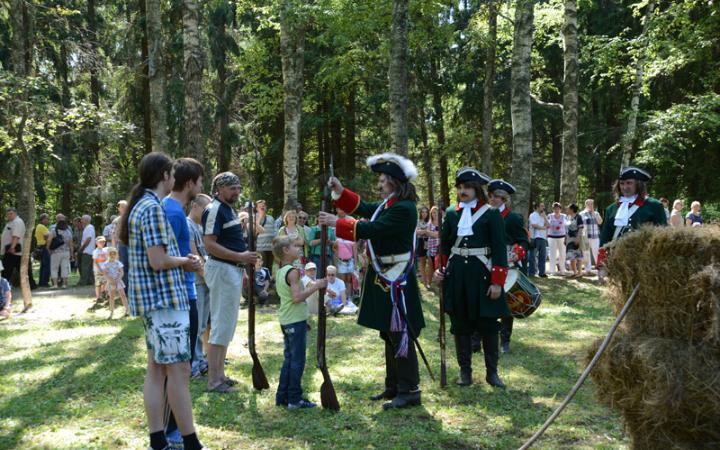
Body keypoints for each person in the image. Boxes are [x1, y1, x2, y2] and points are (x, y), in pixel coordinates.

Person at [319, 152, 425, 410]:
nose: (378, 184)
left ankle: (409, 389)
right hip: (384, 275)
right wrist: (341, 191)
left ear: (394, 182)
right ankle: (394, 385)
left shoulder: (404, 208)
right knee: (389, 332)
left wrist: (338, 222)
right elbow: (365, 209)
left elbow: (374, 229)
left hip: (397, 276)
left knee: (400, 333)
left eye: (382, 179)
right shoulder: (389, 204)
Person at [117, 152, 205, 450]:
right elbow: (158, 260)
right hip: (165, 300)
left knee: (157, 369)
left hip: (154, 302)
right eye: (171, 174)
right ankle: (190, 442)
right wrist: (187, 261)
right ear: (165, 176)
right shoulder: (152, 209)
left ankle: (158, 440)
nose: (173, 179)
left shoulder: (141, 206)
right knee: (178, 372)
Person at [432, 168, 509, 389]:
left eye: (467, 187)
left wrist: (497, 282)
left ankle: (492, 373)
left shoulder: (491, 214)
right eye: (460, 187)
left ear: (476, 190)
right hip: (457, 277)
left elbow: (499, 250)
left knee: (488, 325)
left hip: (483, 276)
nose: (462, 191)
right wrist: (440, 269)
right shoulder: (451, 213)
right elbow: (444, 247)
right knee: (460, 323)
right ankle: (465, 372)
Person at [202, 172, 257, 393]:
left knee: (226, 325)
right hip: (222, 270)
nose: (237, 191)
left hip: (230, 270)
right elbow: (209, 244)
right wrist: (241, 258)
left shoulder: (227, 209)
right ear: (220, 189)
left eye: (238, 187)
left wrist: (241, 264)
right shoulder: (214, 209)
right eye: (232, 188)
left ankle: (220, 375)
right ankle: (214, 381)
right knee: (220, 325)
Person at [273, 235, 328, 409]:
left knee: (289, 359)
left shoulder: (281, 271)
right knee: (297, 360)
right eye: (295, 246)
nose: (299, 248)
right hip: (294, 321)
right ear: (286, 250)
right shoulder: (294, 272)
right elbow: (297, 298)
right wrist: (316, 286)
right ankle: (295, 399)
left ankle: (282, 396)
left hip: (287, 319)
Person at [487, 179, 528, 354]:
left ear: (504, 199)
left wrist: (517, 252)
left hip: (508, 263)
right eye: (491, 196)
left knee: (506, 303)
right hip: (486, 261)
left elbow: (524, 241)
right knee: (486, 299)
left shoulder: (513, 218)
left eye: (497, 197)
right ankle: (481, 337)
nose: (493, 200)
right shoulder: (484, 215)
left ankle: (505, 340)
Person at [598, 167, 668, 267]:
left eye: (629, 183)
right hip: (617, 262)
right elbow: (605, 237)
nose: (625, 187)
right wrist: (601, 265)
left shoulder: (654, 206)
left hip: (644, 263)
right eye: (622, 183)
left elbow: (663, 236)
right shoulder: (611, 209)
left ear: (638, 184)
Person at [187, 193, 212, 378]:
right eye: (205, 209)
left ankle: (201, 360)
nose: (207, 213)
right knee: (196, 326)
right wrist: (208, 277)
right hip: (198, 281)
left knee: (203, 324)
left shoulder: (202, 226)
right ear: (195, 206)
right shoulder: (188, 225)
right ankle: (193, 365)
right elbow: (194, 254)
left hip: (207, 280)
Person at [1, 207, 27, 286]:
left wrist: (12, 247)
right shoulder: (10, 222)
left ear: (15, 213)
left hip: (13, 250)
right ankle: (31, 286)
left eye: (11, 213)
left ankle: (3, 287)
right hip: (12, 251)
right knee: (22, 270)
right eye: (8, 214)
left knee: (6, 270)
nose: (9, 215)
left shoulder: (17, 222)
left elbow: (16, 236)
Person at [334, 209, 356, 299]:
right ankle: (342, 297)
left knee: (349, 279)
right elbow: (335, 249)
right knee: (342, 280)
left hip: (350, 260)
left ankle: (349, 297)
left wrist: (355, 262)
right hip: (340, 260)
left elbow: (355, 250)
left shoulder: (351, 237)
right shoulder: (337, 238)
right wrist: (336, 260)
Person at [101, 247, 128, 319]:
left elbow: (121, 272)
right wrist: (110, 280)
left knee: (123, 295)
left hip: (118, 281)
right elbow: (105, 274)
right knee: (112, 297)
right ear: (108, 255)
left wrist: (118, 279)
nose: (112, 256)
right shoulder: (105, 264)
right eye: (111, 254)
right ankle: (111, 312)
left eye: (114, 254)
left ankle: (127, 310)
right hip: (111, 282)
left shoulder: (118, 263)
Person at [48, 215, 74, 289]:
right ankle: (64, 284)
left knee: (54, 268)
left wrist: (48, 249)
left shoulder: (53, 231)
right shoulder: (69, 232)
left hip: (55, 252)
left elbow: (49, 240)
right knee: (64, 268)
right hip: (66, 252)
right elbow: (71, 245)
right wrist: (72, 255)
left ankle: (55, 284)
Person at [580, 199, 603, 274]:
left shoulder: (596, 213)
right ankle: (588, 270)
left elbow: (600, 222)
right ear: (585, 205)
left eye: (591, 204)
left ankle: (599, 268)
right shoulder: (582, 214)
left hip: (595, 236)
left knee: (596, 252)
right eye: (589, 204)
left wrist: (594, 213)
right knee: (586, 253)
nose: (590, 206)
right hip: (585, 236)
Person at [528, 202, 549, 278]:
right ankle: (531, 272)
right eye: (541, 206)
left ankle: (542, 272)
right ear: (537, 207)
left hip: (543, 238)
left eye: (543, 206)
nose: (543, 207)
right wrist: (543, 227)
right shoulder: (533, 215)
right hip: (534, 238)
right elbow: (534, 225)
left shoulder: (543, 215)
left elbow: (548, 225)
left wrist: (545, 217)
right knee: (532, 256)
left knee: (542, 256)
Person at [255, 200, 276, 274]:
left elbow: (274, 232)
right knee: (262, 266)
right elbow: (255, 231)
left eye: (263, 206)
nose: (262, 207)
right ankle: (261, 283)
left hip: (270, 247)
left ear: (266, 207)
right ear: (257, 208)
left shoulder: (271, 218)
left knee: (269, 267)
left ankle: (268, 283)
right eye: (260, 206)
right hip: (260, 248)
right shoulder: (254, 218)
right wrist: (260, 216)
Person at [547, 203, 567, 276]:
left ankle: (562, 270)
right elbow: (547, 225)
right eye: (555, 208)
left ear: (560, 209)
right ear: (553, 209)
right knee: (552, 254)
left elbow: (566, 225)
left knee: (562, 254)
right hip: (551, 237)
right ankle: (552, 271)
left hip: (562, 237)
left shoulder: (564, 216)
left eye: (558, 208)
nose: (556, 210)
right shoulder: (549, 216)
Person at [565, 204, 584, 278]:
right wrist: (565, 238)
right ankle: (575, 272)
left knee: (578, 256)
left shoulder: (578, 217)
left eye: (568, 208)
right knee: (570, 255)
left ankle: (580, 272)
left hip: (577, 238)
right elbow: (566, 229)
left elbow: (581, 228)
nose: (567, 209)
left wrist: (578, 238)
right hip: (569, 238)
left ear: (572, 209)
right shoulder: (568, 217)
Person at [77, 215, 97, 286]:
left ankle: (83, 282)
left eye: (82, 219)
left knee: (85, 267)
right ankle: (90, 281)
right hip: (90, 251)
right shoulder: (88, 228)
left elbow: (88, 239)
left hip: (87, 250)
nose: (81, 221)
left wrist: (82, 248)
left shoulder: (89, 227)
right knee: (89, 267)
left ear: (86, 220)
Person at [416, 206, 432, 289]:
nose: (424, 213)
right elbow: (417, 232)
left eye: (426, 212)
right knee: (422, 263)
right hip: (421, 242)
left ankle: (429, 281)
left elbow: (432, 232)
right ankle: (425, 281)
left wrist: (424, 232)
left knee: (430, 263)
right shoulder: (417, 221)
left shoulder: (430, 221)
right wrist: (426, 231)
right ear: (420, 213)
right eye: (422, 212)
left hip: (430, 242)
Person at [35, 213, 51, 287]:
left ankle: (41, 282)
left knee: (43, 266)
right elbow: (48, 236)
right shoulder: (42, 227)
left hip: (40, 247)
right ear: (43, 219)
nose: (48, 220)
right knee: (47, 265)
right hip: (44, 247)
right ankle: (44, 282)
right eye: (47, 219)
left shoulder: (38, 226)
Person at [92, 236, 109, 306]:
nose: (102, 243)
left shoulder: (106, 250)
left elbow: (107, 259)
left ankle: (104, 293)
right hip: (98, 270)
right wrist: (99, 270)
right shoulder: (95, 251)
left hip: (105, 270)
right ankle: (98, 297)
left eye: (103, 242)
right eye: (100, 242)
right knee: (98, 284)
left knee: (105, 282)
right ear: (96, 243)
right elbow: (95, 262)